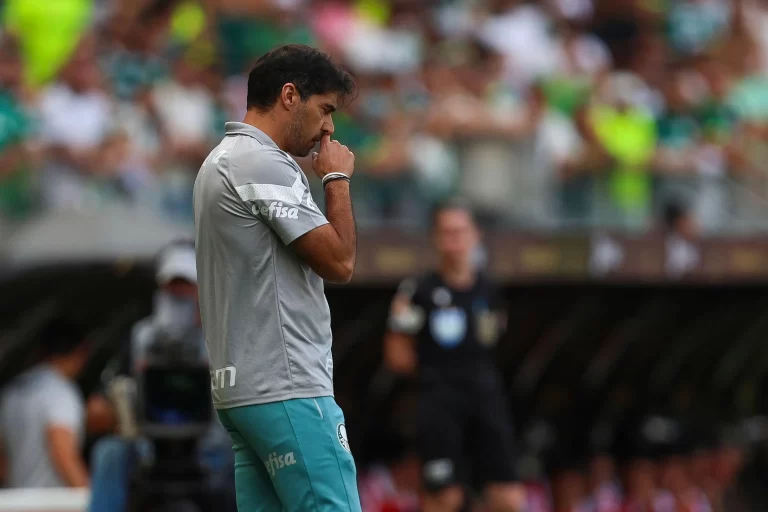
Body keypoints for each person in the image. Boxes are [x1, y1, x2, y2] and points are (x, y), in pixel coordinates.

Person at [193, 44, 360, 512]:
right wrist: (336, 180)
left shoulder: (217, 162)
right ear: (290, 95)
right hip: (288, 388)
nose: (329, 126)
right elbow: (340, 261)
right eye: (324, 109)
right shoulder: (260, 161)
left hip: (240, 395)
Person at [383, 200, 526, 512]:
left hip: (486, 398)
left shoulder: (490, 291)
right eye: (446, 233)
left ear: (476, 235)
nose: (454, 240)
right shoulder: (419, 291)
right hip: (440, 403)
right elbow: (396, 353)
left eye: (460, 232)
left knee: (508, 496)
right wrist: (435, 373)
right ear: (435, 238)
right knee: (444, 498)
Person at [88, 240, 235, 512]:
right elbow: (99, 406)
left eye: (187, 285)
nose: (179, 294)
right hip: (150, 449)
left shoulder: (226, 335)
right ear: (161, 287)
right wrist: (122, 410)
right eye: (173, 285)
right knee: (109, 452)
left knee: (244, 455)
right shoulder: (139, 337)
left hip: (211, 448)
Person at [0, 317, 90, 488]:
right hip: (49, 501)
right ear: (81, 352)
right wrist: (89, 498)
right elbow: (62, 449)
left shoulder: (11, 391)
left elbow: (2, 462)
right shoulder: (60, 391)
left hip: (11, 502)